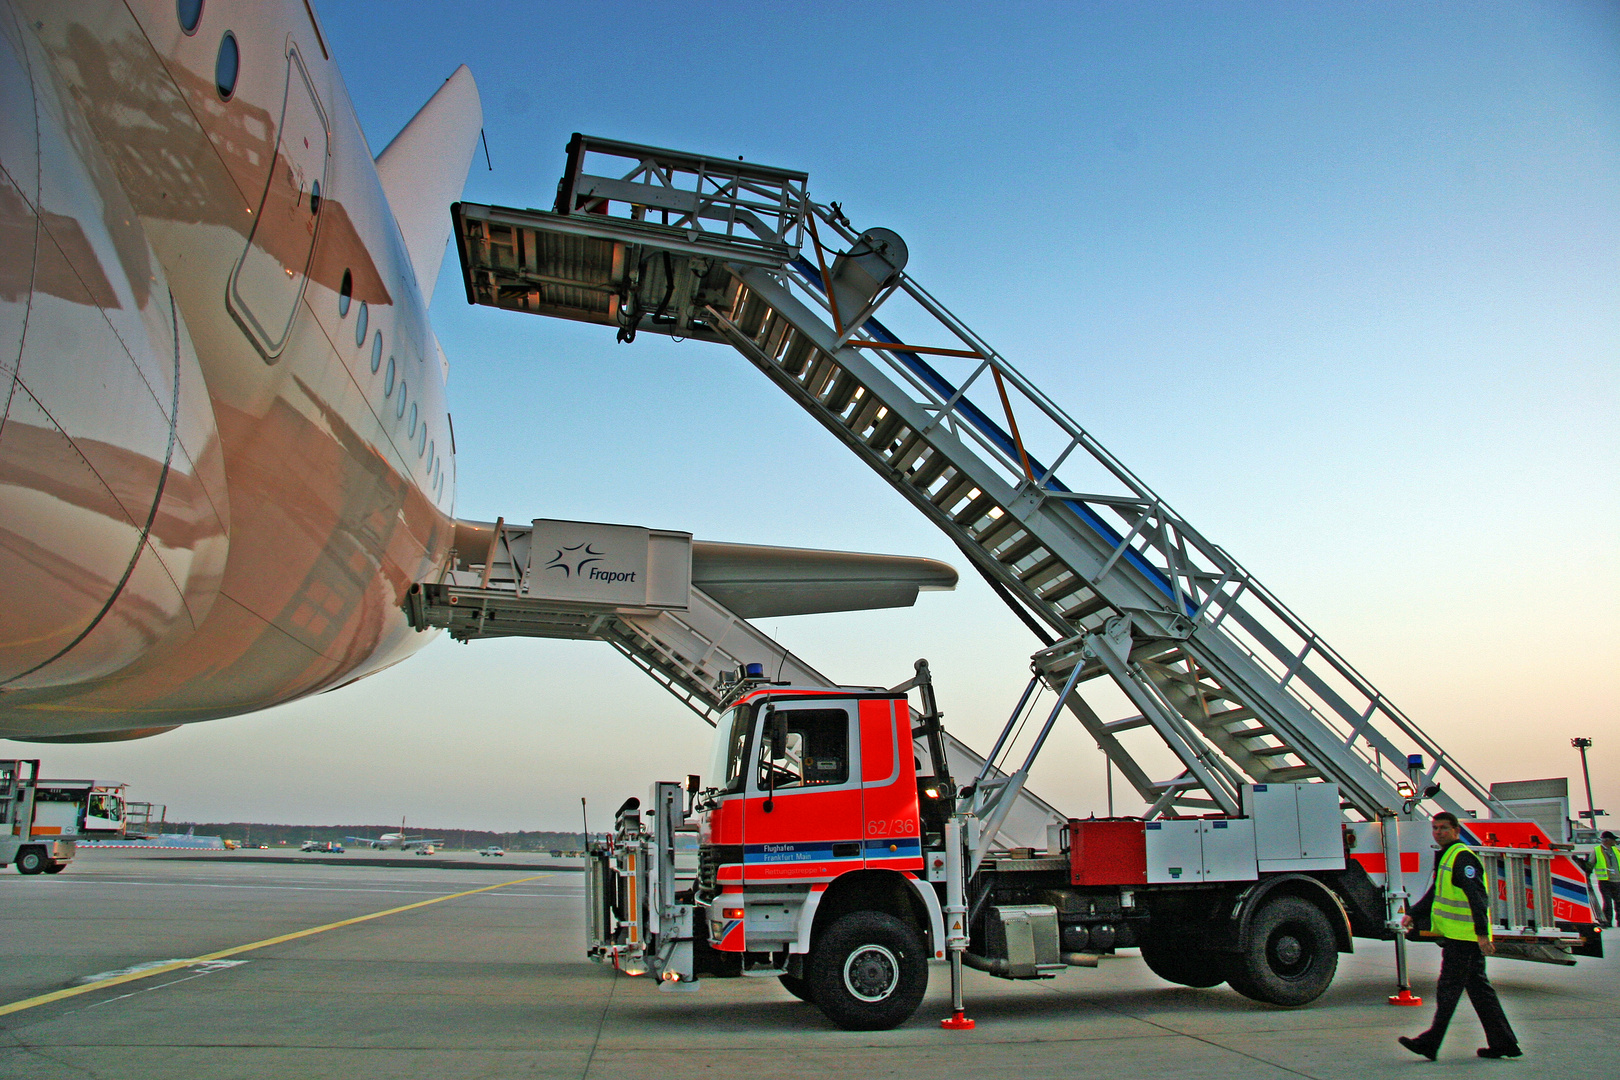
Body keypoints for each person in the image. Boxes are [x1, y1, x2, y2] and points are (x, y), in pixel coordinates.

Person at [1398, 811, 1521, 1061]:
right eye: (1435, 828)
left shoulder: (1462, 858)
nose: (1438, 832)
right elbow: (1435, 892)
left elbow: (1477, 897)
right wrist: (1413, 913)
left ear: (1456, 831)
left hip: (1464, 939)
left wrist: (1482, 934)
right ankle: (1504, 1043)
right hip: (1458, 937)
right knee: (1479, 991)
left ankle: (1430, 1043)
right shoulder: (1447, 856)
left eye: (1444, 828)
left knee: (1448, 990)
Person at [1594, 831, 1620, 928]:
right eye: (1613, 839)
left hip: (1617, 881)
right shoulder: (1597, 851)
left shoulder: (1616, 851)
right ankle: (1607, 921)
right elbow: (1590, 864)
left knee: (1619, 902)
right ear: (1607, 840)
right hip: (1605, 881)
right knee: (1607, 903)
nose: (1615, 841)